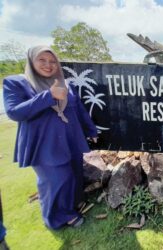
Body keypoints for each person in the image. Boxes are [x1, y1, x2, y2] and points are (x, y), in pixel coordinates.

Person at [3, 45, 98, 229]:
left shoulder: (65, 84)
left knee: (74, 174)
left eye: (53, 61)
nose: (48, 65)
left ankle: (71, 205)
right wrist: (48, 96)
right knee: (56, 179)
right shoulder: (16, 83)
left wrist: (91, 130)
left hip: (70, 140)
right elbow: (14, 112)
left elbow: (78, 110)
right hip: (43, 144)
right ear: (31, 61)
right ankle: (56, 218)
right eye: (42, 60)